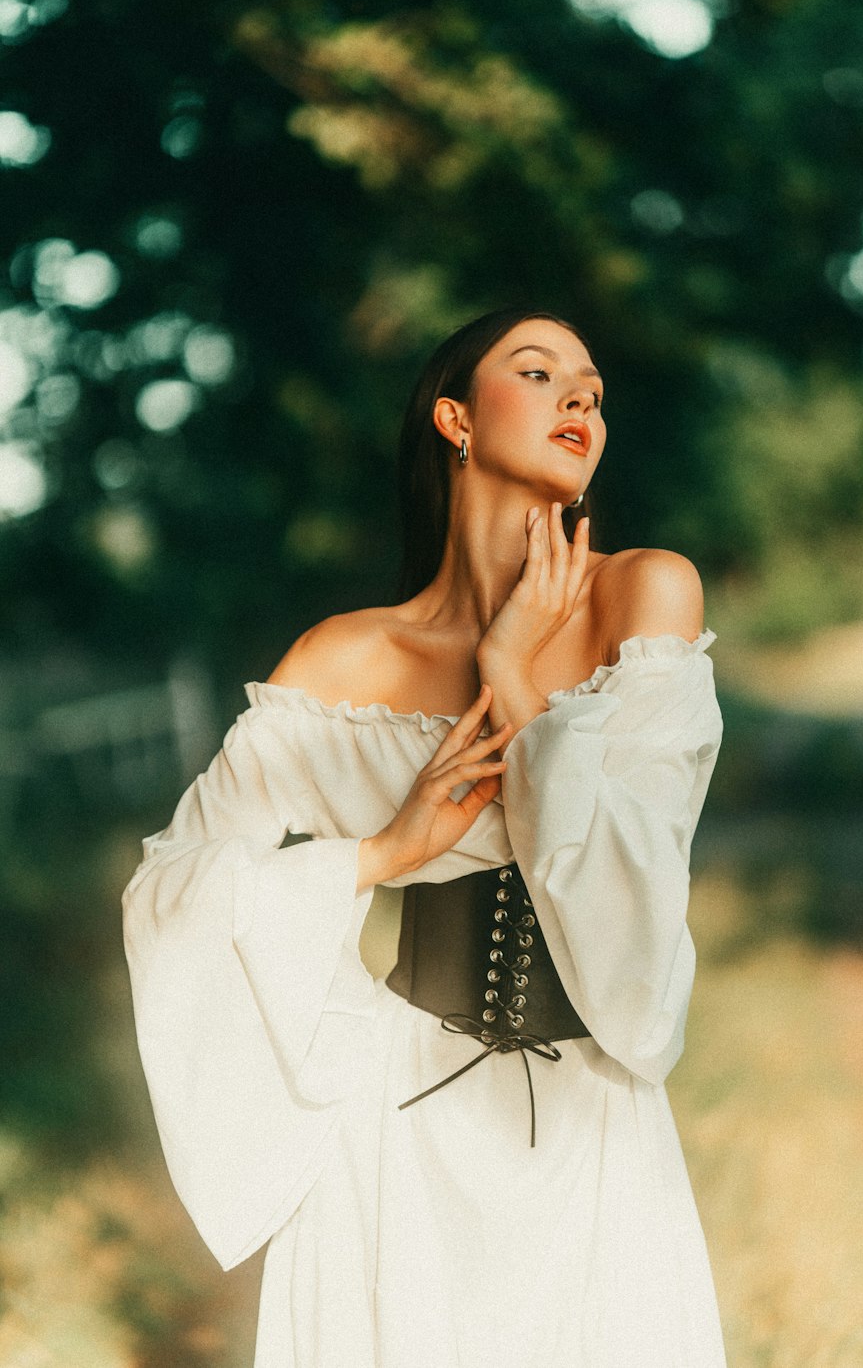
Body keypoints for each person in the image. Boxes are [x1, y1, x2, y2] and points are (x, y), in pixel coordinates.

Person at [123, 308, 727, 1367]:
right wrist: (376, 855)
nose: (578, 396)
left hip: (592, 1115)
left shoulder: (647, 595)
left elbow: (638, 871)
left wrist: (510, 674)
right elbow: (170, 890)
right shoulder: (343, 664)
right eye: (537, 372)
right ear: (455, 416)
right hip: (390, 1132)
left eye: (590, 385)